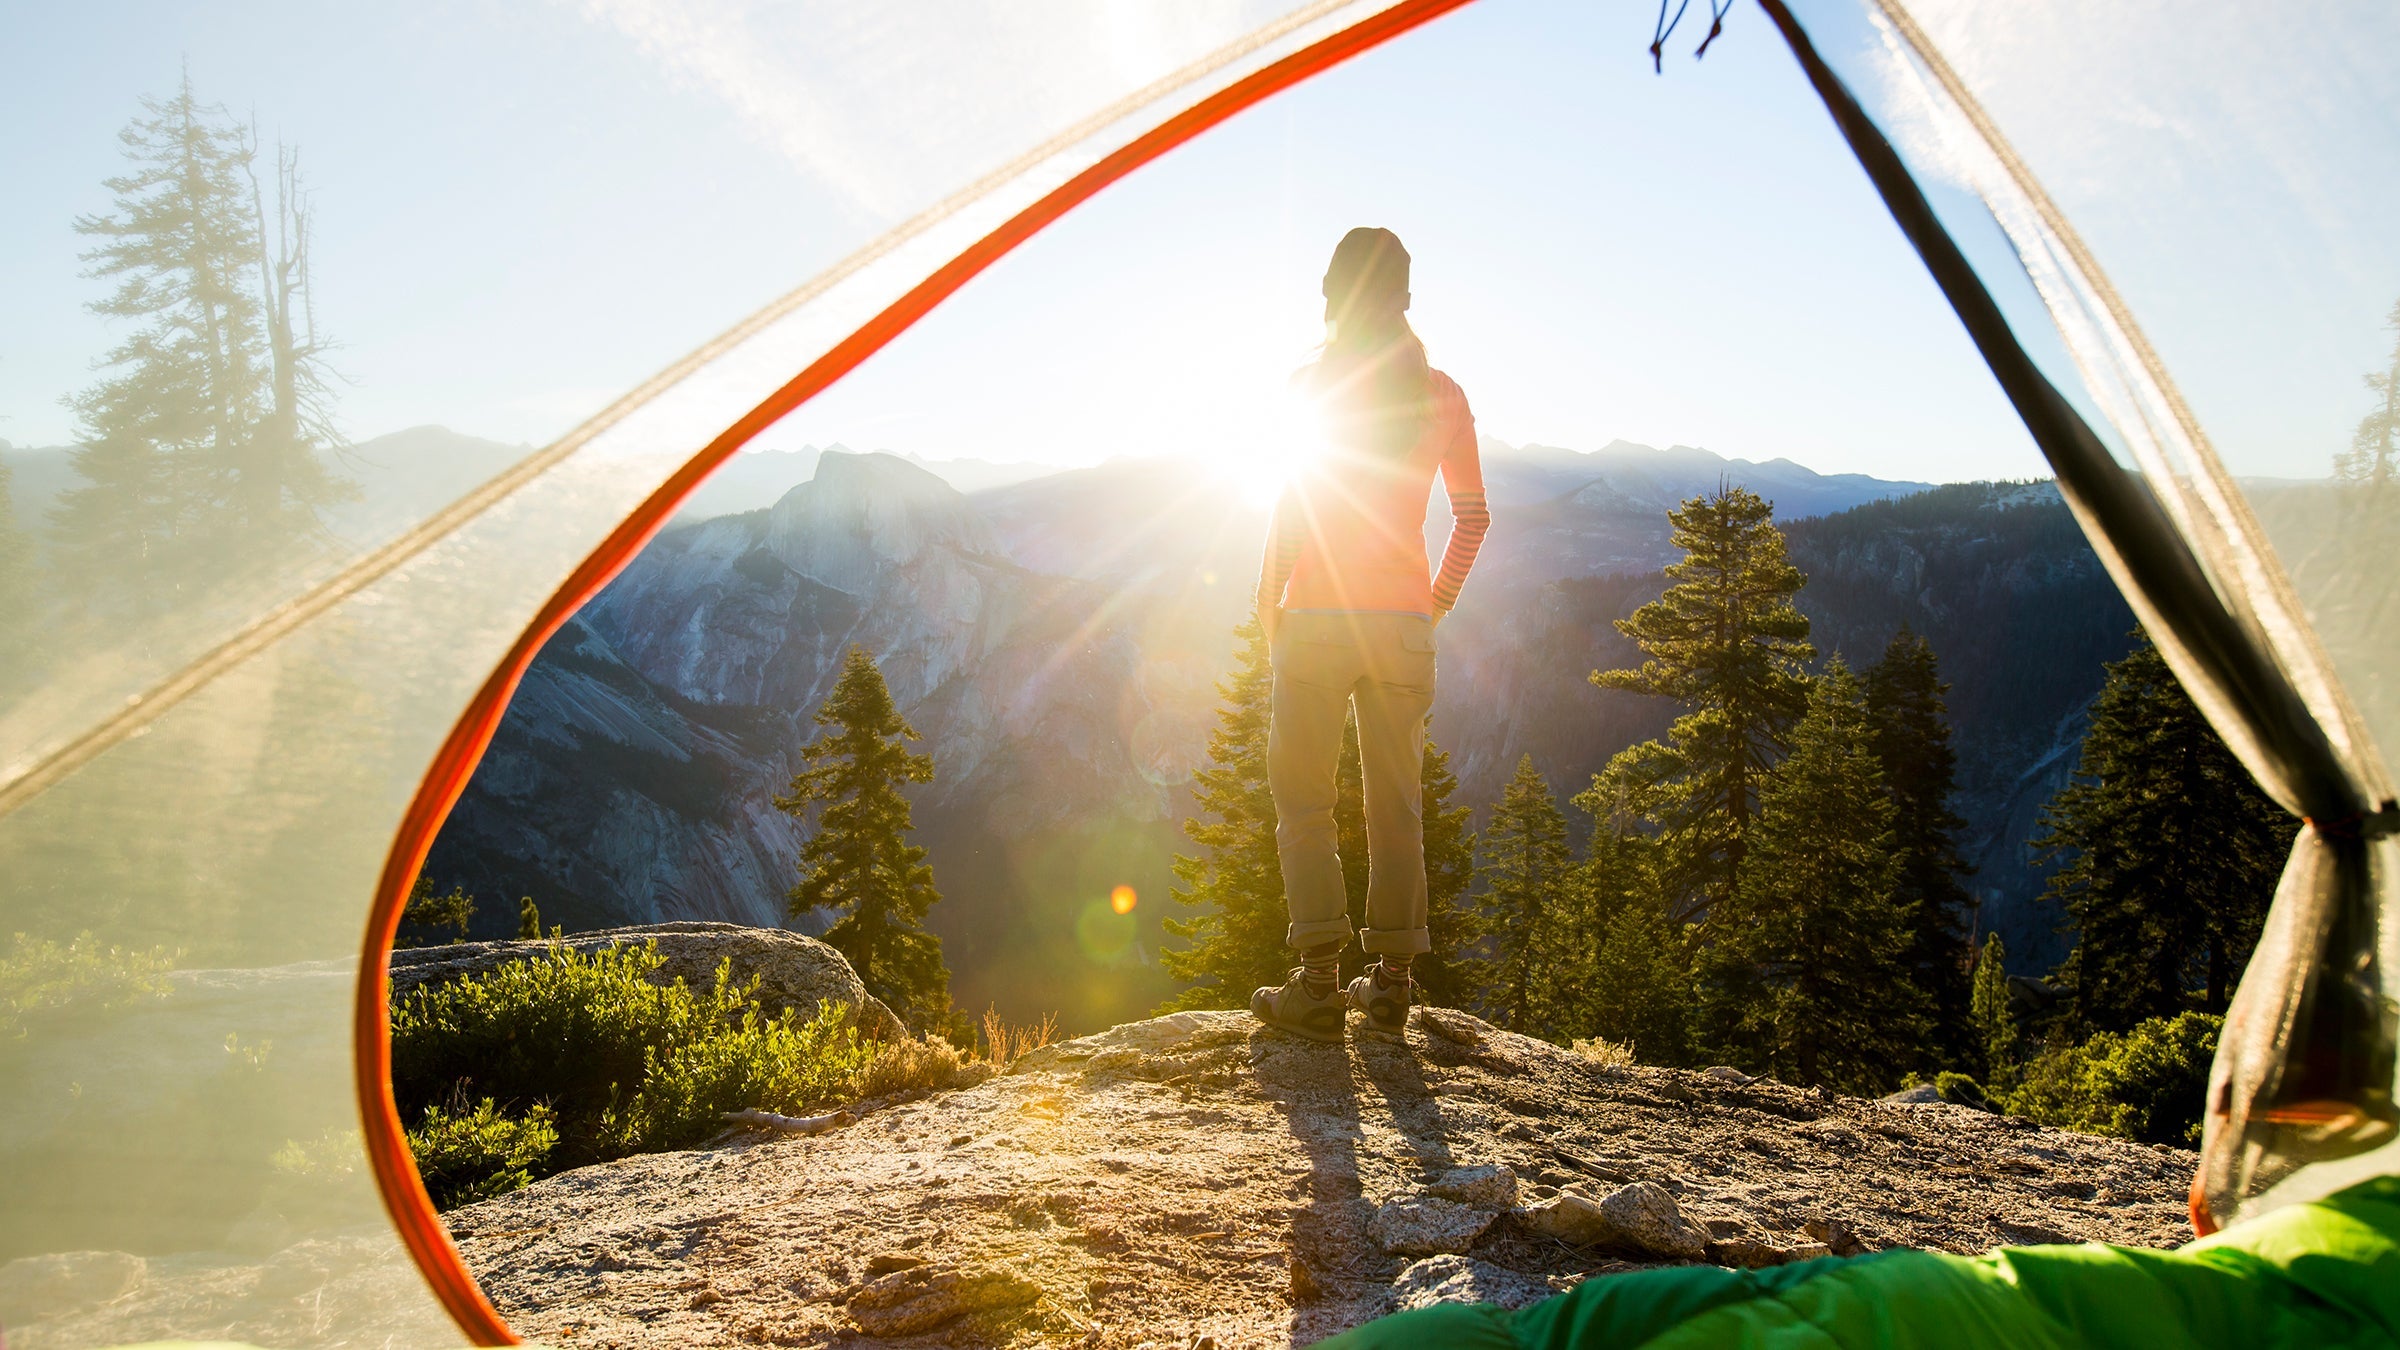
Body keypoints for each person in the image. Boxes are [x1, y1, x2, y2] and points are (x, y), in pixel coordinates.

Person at [1249, 226, 1489, 1043]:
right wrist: (1436, 603)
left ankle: (1317, 989)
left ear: (1332, 297)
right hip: (1403, 630)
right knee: (1398, 810)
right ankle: (1389, 989)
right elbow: (1473, 517)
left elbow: (1293, 508)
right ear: (1407, 301)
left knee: (1304, 804)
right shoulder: (1446, 396)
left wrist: (1268, 599)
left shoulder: (1308, 386)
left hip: (1316, 621)